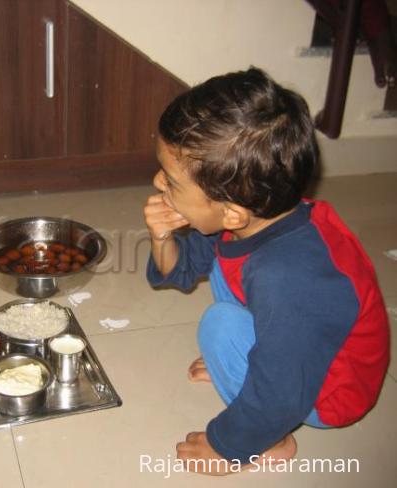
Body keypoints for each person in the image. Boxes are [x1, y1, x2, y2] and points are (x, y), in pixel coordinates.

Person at [143, 67, 390, 475]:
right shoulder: (257, 213)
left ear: (231, 212)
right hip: (295, 347)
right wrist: (160, 237)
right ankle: (248, 357)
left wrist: (230, 447)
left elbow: (282, 389)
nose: (157, 183)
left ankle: (274, 440)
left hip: (329, 392)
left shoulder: (290, 279)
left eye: (170, 181)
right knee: (225, 269)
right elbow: (183, 269)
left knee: (219, 327)